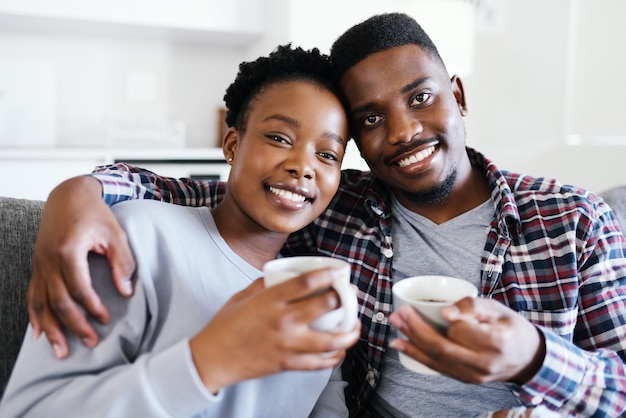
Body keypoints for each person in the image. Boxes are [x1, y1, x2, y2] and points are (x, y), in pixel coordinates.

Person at [23, 12, 626, 418]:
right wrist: (76, 194)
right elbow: (209, 194)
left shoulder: (572, 220)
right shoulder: (339, 211)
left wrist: (536, 357)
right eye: (370, 118)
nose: (404, 130)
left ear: (459, 96)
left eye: (421, 97)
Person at [0, 44, 361, 418]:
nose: (303, 166)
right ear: (233, 145)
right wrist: (208, 360)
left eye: (327, 155)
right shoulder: (136, 238)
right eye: (279, 138)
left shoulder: (319, 296)